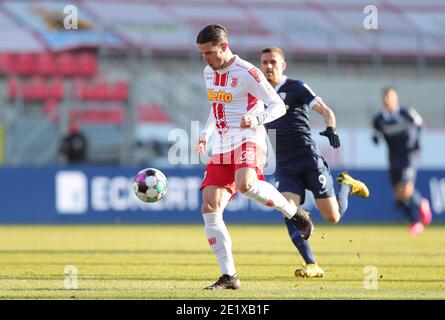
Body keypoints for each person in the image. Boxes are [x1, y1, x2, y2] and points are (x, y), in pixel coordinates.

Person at [195, 24, 313, 290]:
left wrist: (256, 118)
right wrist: (205, 133)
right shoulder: (208, 71)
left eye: (210, 53)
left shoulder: (247, 72)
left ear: (224, 47)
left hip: (249, 139)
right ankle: (229, 276)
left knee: (246, 183)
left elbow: (278, 106)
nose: (205, 59)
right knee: (210, 208)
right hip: (223, 145)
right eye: (202, 54)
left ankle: (294, 212)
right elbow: (216, 107)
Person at [260, 47, 370, 278]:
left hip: (308, 158)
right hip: (284, 164)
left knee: (333, 217)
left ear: (283, 65)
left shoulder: (296, 87)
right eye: (264, 62)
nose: (268, 66)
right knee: (288, 211)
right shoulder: (259, 92)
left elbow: (325, 109)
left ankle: (347, 185)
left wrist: (330, 128)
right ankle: (312, 264)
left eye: (273, 62)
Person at [372, 87, 432, 236]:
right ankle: (417, 214)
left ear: (396, 98)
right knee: (399, 196)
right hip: (393, 158)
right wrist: (376, 139)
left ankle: (418, 212)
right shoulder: (379, 118)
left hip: (408, 156)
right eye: (385, 97)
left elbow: (419, 124)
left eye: (390, 96)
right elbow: (376, 133)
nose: (387, 99)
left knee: (406, 190)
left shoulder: (405, 113)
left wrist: (416, 141)